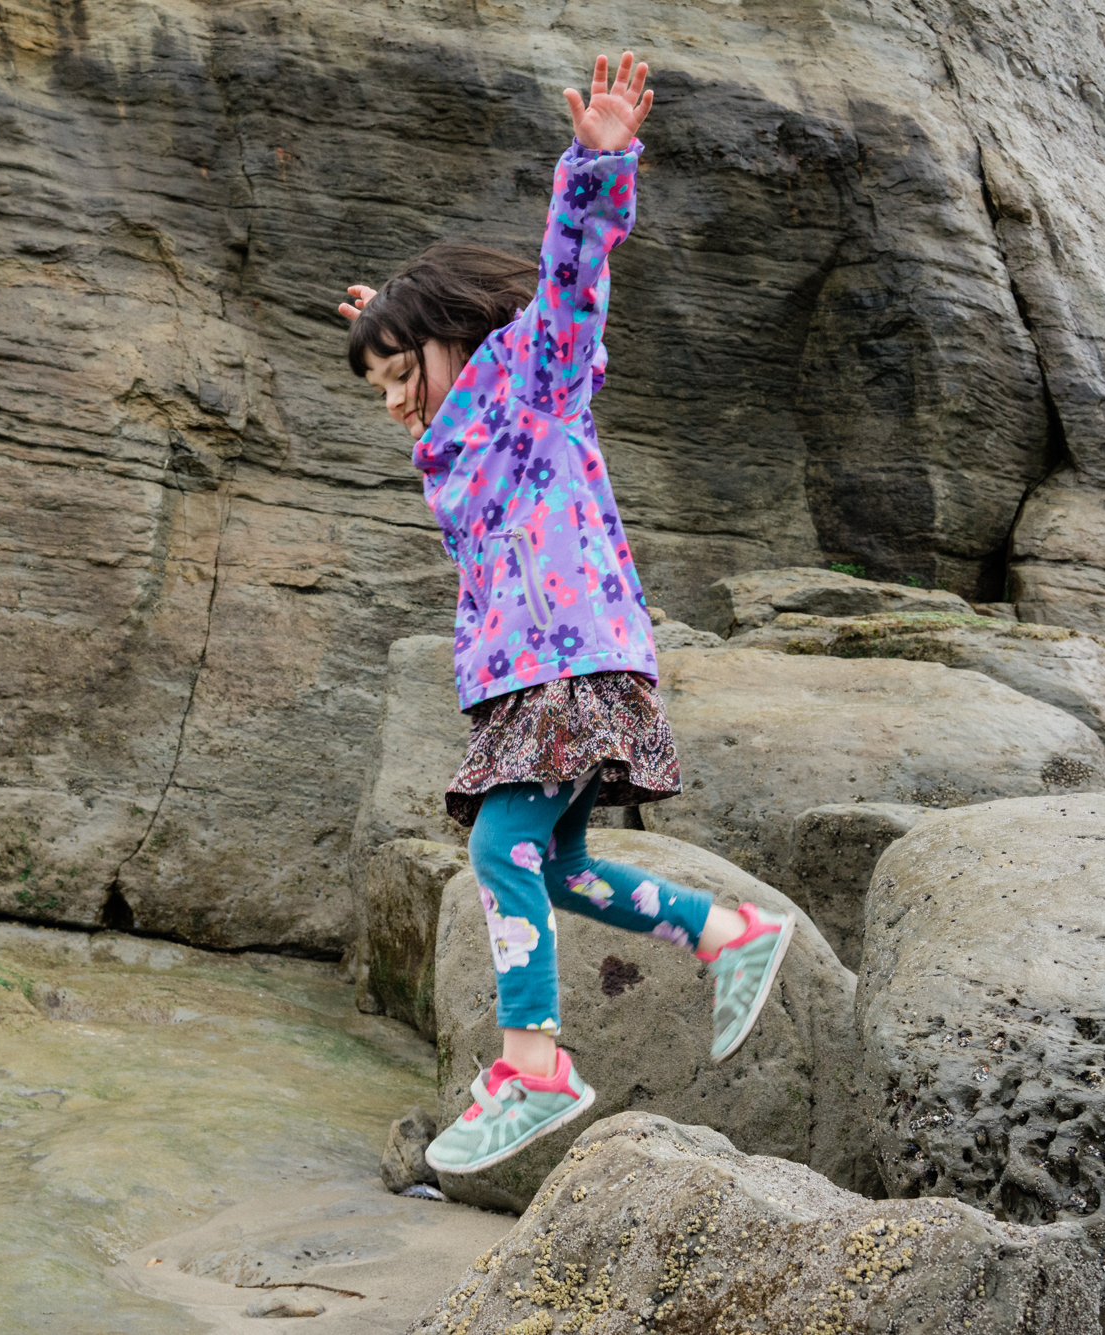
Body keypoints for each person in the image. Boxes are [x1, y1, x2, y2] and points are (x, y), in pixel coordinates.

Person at [338, 52, 794, 1175]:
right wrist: (383, 320)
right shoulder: (454, 436)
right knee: (550, 867)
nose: (395, 403)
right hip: (518, 677)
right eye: (379, 390)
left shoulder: (535, 382)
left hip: (569, 662)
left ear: (457, 335)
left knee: (497, 845)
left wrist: (597, 165)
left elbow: (572, 273)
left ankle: (534, 1066)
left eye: (403, 374)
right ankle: (727, 933)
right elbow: (420, 365)